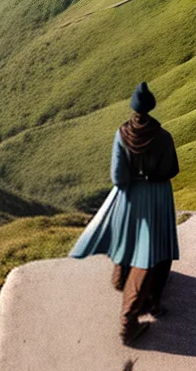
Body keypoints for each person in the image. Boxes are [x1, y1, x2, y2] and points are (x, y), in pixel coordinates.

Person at [69, 81, 180, 344]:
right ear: (150, 108)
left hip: (129, 196)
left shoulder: (122, 134)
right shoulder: (163, 138)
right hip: (156, 197)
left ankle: (120, 279)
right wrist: (151, 176)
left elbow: (118, 177)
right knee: (149, 255)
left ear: (133, 109)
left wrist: (133, 180)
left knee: (128, 241)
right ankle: (129, 321)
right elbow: (171, 170)